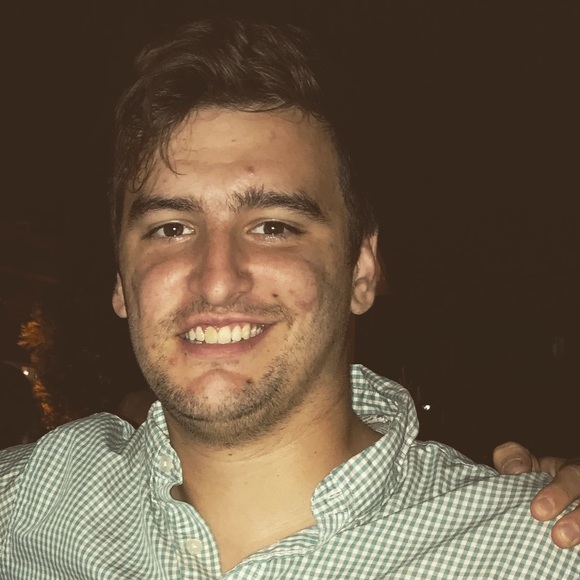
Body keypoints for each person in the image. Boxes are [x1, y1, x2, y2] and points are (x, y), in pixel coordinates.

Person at [0, 16, 578, 578]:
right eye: (171, 228)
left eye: (273, 226)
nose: (217, 280)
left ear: (362, 271)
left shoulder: (539, 554)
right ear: (122, 282)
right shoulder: (21, 506)